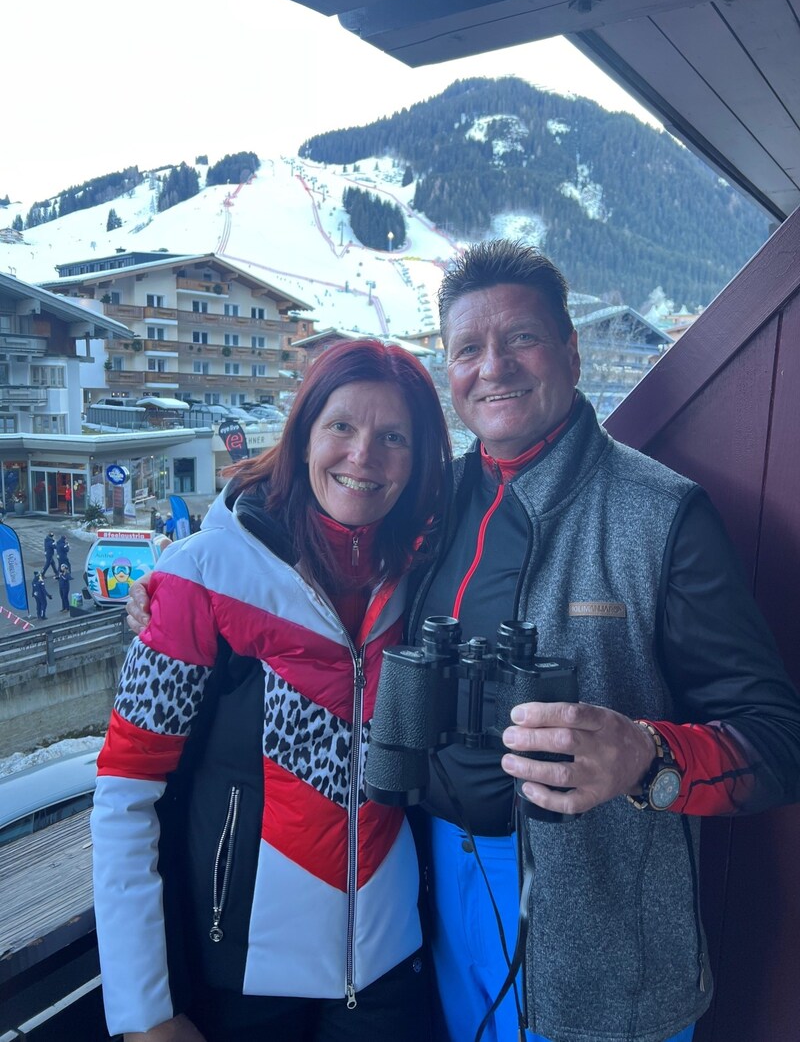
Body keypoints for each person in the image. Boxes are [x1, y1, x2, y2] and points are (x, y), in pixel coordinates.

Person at [128, 242, 800, 1042]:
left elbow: (778, 740)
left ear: (571, 350)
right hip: (434, 918)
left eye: (521, 338)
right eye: (468, 349)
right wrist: (182, 578)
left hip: (606, 947)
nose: (495, 367)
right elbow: (309, 528)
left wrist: (648, 757)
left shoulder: (661, 516)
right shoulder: (431, 503)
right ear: (449, 372)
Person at [91, 339, 451, 1042]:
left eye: (393, 436)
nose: (363, 455)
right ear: (303, 433)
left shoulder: (428, 572)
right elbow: (124, 791)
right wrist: (145, 1009)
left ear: (419, 459)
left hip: (389, 965)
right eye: (341, 426)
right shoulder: (203, 575)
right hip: (239, 979)